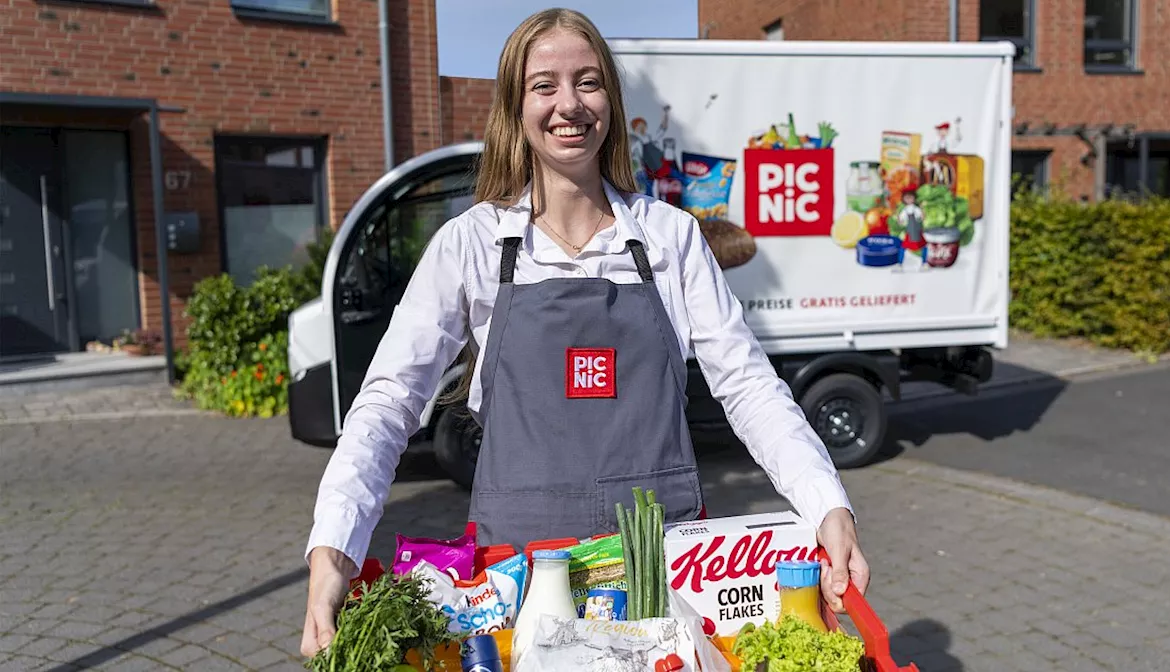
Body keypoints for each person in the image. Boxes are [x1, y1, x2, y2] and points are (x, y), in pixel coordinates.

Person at [300, 8, 870, 659]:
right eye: (544, 85)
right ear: (515, 107)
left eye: (588, 81)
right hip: (516, 579)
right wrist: (332, 552)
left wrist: (827, 504)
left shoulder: (670, 239)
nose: (568, 103)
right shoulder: (474, 245)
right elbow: (387, 404)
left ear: (611, 101)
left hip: (663, 573)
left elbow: (748, 386)